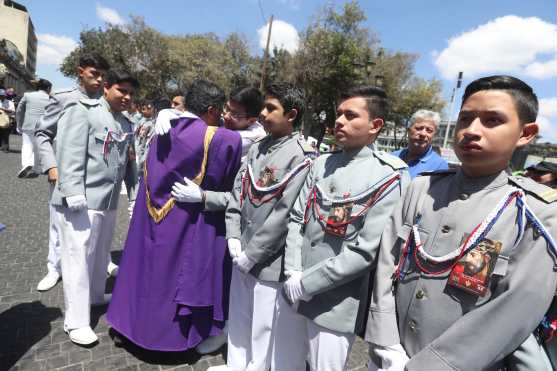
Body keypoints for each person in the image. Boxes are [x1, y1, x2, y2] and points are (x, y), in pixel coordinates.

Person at [365, 75, 557, 371]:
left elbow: (513, 310)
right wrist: (385, 341)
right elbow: (386, 263)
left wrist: (428, 366)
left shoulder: (535, 213)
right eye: (465, 119)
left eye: (492, 120)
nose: (471, 131)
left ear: (525, 133)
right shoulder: (422, 189)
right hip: (388, 356)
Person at [106, 79, 243, 352]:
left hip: (151, 217)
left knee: (146, 270)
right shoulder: (223, 139)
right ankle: (176, 337)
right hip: (193, 221)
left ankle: (133, 327)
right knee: (175, 276)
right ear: (213, 109)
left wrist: (169, 113)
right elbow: (230, 183)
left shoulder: (161, 132)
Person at [280, 86, 409, 371]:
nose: (339, 121)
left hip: (336, 303)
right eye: (339, 114)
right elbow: (297, 218)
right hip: (293, 286)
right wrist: (292, 271)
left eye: (351, 116)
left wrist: (307, 283)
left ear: (375, 126)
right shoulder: (322, 163)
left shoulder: (389, 174)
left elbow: (366, 251)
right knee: (284, 362)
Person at [206, 83, 315, 371]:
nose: (263, 114)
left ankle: (256, 366)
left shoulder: (300, 155)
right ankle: (236, 362)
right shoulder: (258, 147)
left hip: (269, 259)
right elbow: (238, 193)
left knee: (263, 323)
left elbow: (284, 212)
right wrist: (232, 235)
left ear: (291, 114)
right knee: (239, 311)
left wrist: (254, 252)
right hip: (241, 245)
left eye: (271, 108)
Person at [50, 69, 138, 345]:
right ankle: (75, 322)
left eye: (131, 93)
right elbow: (68, 153)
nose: (127, 97)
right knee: (78, 259)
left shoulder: (126, 123)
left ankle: (96, 296)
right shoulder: (83, 111)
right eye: (122, 91)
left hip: (108, 200)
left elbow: (128, 164)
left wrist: (133, 196)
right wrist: (73, 191)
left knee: (100, 254)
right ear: (107, 88)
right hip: (83, 201)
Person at [34, 54, 116, 292]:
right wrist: (52, 166)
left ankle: (100, 263)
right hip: (64, 174)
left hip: (94, 178)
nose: (99, 80)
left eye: (103, 76)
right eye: (94, 74)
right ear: (81, 72)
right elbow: (42, 134)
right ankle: (54, 267)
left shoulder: (106, 102)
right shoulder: (64, 99)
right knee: (58, 223)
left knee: (94, 226)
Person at [392, 109, 448, 178]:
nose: (423, 134)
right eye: (419, 128)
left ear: (434, 135)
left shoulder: (440, 166)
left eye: (429, 130)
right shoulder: (392, 157)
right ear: (408, 131)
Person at [15, 78, 52, 178]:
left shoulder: (28, 95)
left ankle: (26, 164)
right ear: (48, 88)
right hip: (44, 126)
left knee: (27, 145)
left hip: (28, 124)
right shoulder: (50, 98)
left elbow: (19, 110)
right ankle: (37, 168)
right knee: (40, 147)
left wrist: (19, 123)